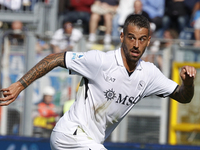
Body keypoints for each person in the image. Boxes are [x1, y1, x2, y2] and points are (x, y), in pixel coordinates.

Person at [0, 15, 196, 150]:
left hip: (89, 141)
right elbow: (56, 58)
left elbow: (182, 97)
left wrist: (188, 84)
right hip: (70, 135)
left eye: (142, 39)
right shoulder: (101, 61)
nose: (136, 45)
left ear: (148, 41)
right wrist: (20, 85)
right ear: (122, 37)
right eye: (131, 38)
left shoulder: (149, 74)